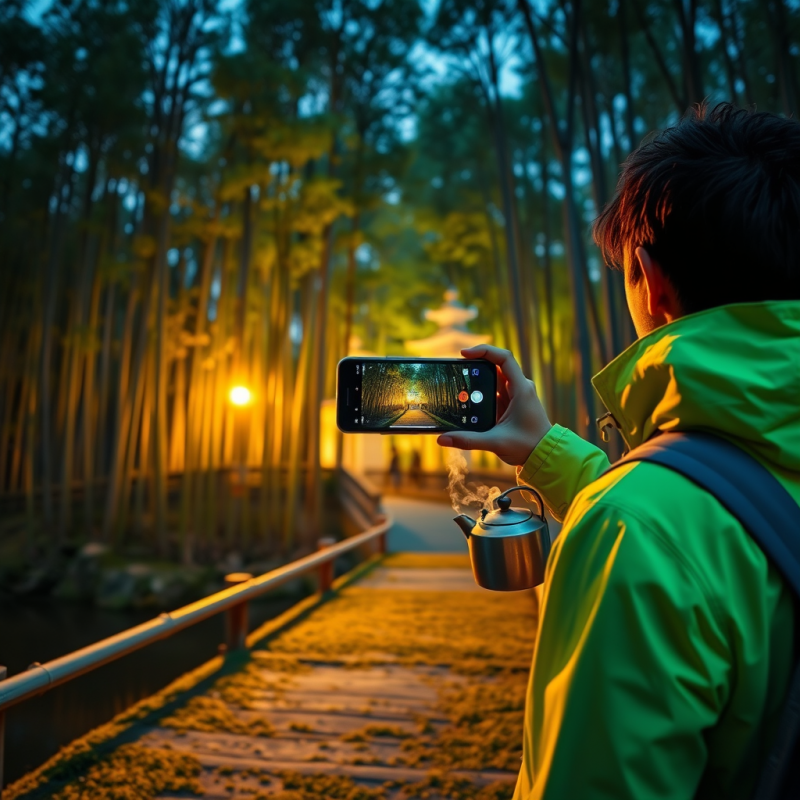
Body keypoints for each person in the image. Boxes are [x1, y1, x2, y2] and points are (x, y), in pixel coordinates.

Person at [437, 103, 800, 799]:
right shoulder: (652, 522)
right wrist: (547, 451)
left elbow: (678, 541)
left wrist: (622, 504)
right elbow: (736, 530)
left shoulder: (635, 529)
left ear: (650, 279)